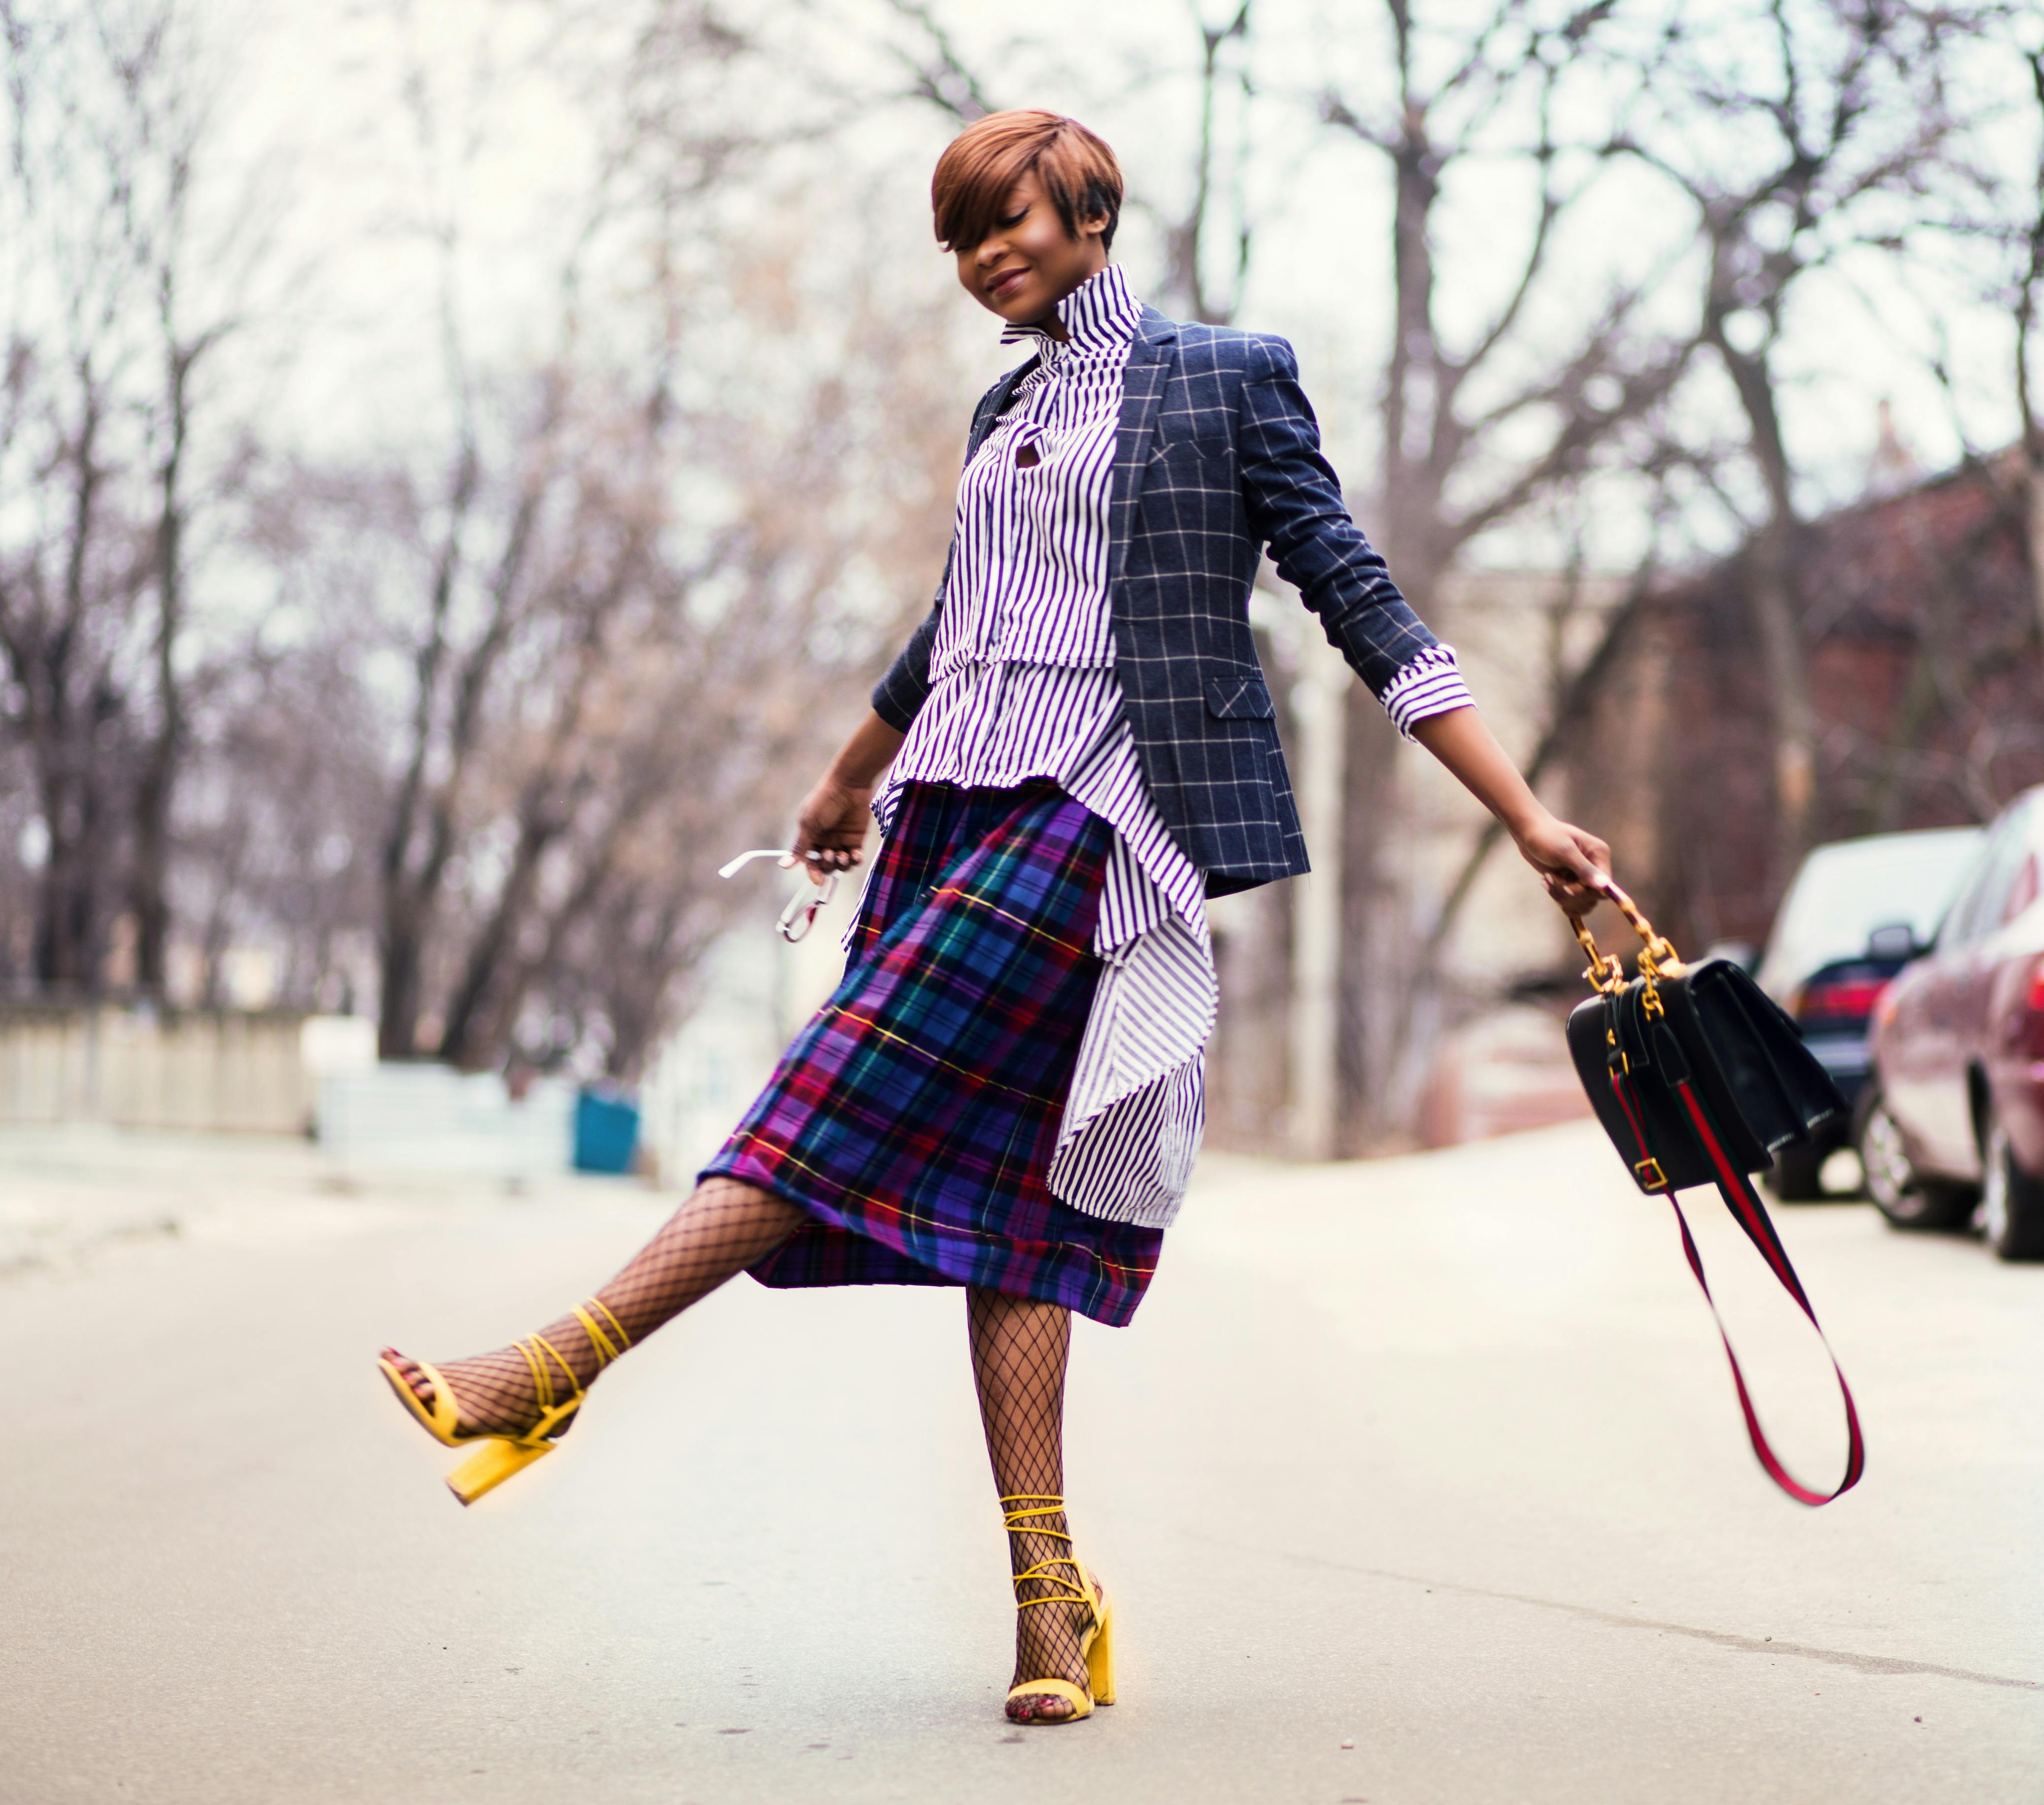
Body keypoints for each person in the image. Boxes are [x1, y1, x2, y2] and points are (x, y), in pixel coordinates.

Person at [378, 108, 1613, 1728]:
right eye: (960, 238)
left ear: (1091, 204)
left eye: (1006, 220)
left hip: (1096, 814)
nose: (985, 258)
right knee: (1013, 1211)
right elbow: (958, 626)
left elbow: (1360, 601)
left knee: (832, 1098)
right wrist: (843, 784)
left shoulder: (1222, 379)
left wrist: (1521, 815)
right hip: (950, 806)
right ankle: (1053, 1607)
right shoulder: (1009, 400)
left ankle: (551, 1370)